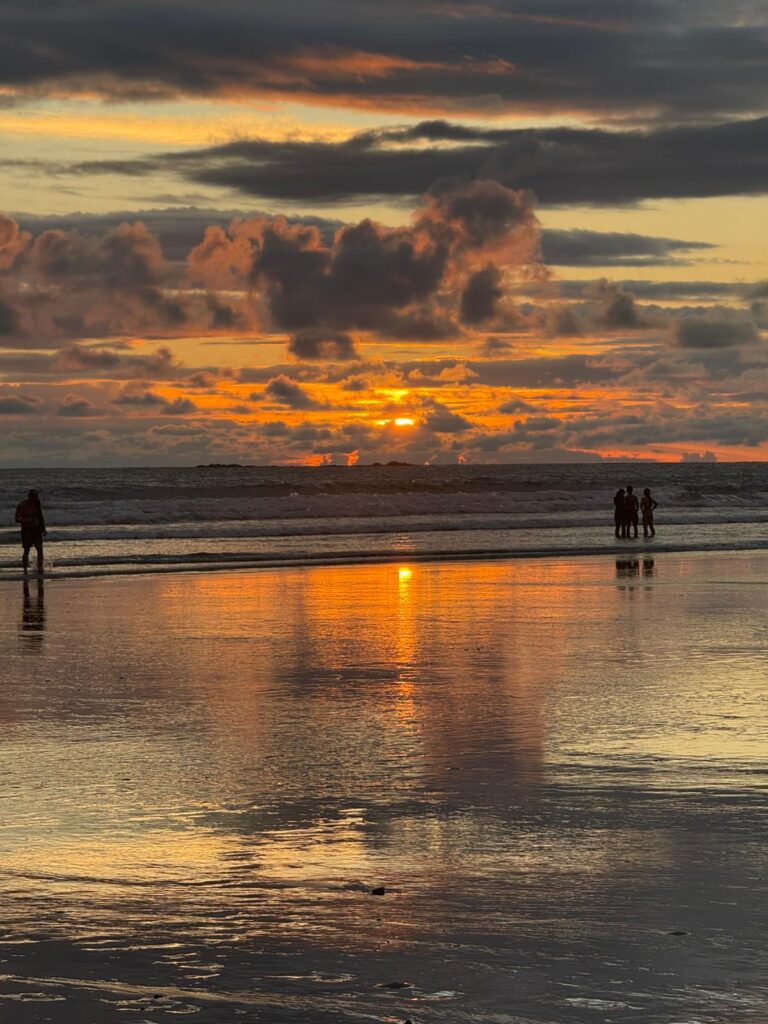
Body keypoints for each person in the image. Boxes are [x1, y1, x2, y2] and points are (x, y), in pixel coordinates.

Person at [15, 489, 46, 576]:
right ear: (30, 496)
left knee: (39, 549)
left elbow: (40, 515)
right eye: (35, 496)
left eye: (37, 496)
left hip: (36, 529)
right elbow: (17, 518)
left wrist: (43, 528)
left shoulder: (37, 504)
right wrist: (25, 520)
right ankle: (25, 570)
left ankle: (40, 568)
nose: (36, 498)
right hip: (27, 530)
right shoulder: (22, 505)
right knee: (26, 550)